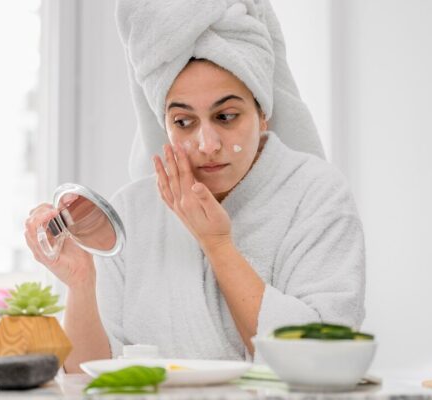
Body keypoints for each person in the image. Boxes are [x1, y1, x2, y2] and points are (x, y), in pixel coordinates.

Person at [24, 0, 365, 373]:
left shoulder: (316, 196)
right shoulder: (132, 213)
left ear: (262, 112)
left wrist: (217, 245)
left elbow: (324, 359)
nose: (207, 144)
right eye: (184, 122)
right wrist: (81, 284)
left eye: (226, 116)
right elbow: (86, 376)